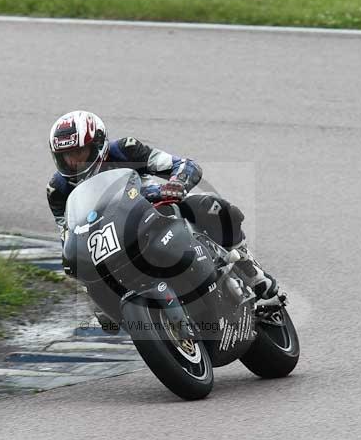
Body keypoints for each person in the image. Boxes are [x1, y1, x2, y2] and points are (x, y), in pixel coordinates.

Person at [45, 110, 279, 301]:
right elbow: (67, 234)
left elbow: (183, 165)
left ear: (97, 144)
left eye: (79, 152)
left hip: (151, 212)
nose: (74, 161)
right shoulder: (58, 190)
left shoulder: (125, 149)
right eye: (67, 156)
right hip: (110, 242)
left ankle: (248, 266)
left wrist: (177, 183)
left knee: (213, 207)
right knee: (91, 284)